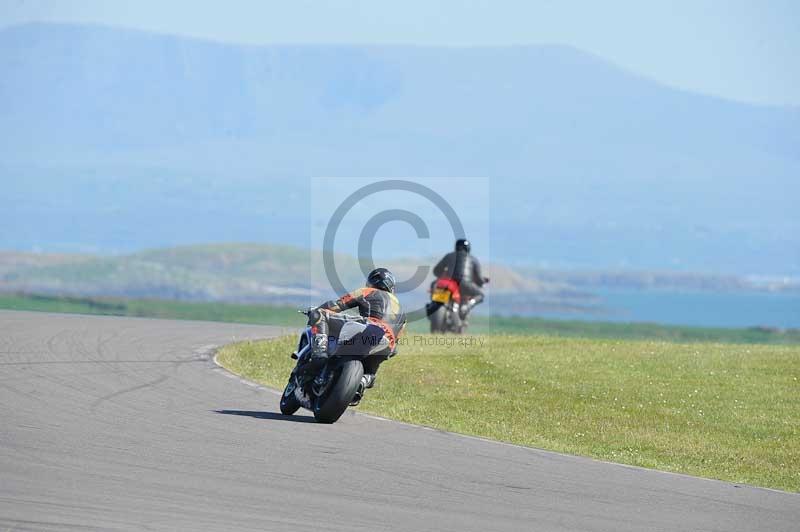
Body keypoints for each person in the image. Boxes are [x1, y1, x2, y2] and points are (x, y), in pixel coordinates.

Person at [305, 267, 406, 404]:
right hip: (387, 343)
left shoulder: (368, 291)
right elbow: (396, 345)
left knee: (320, 314)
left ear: (371, 281)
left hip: (369, 327)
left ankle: (320, 353)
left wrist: (316, 310)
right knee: (371, 370)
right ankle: (363, 381)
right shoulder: (402, 311)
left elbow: (336, 305)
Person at [432, 238, 487, 317]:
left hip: (448, 283)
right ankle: (468, 305)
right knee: (481, 295)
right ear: (468, 248)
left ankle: (435, 306)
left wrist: (442, 276)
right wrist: (482, 282)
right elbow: (479, 278)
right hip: (465, 284)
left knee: (436, 292)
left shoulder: (449, 256)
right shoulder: (473, 259)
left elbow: (436, 270)